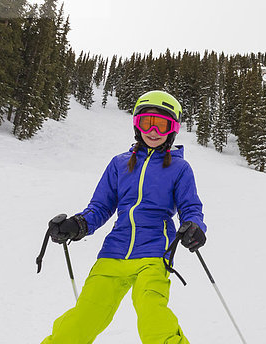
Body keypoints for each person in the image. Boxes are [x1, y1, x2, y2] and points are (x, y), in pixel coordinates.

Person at [41, 90, 206, 344]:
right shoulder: (119, 163)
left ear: (172, 130)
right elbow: (101, 205)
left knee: (153, 317)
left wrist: (193, 226)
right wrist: (78, 224)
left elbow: (190, 206)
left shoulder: (179, 168)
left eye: (161, 125)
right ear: (136, 125)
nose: (153, 130)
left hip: (154, 254)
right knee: (83, 319)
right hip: (113, 253)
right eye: (146, 122)